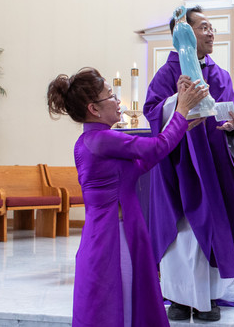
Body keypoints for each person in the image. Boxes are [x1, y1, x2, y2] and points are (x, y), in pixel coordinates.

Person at [46, 67, 207, 327]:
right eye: (110, 95)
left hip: (111, 234)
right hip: (114, 238)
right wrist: (181, 110)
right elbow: (155, 147)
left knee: (124, 307)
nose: (118, 100)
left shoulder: (92, 141)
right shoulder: (103, 140)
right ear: (94, 109)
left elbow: (139, 165)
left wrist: (181, 126)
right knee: (122, 308)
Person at [143, 5, 234, 322]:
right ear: (182, 33)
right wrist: (178, 103)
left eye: (212, 27)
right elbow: (153, 110)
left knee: (210, 230)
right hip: (179, 164)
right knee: (182, 232)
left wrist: (233, 125)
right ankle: (180, 300)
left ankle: (208, 298)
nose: (211, 33)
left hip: (212, 167)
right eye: (203, 27)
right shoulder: (168, 73)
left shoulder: (219, 74)